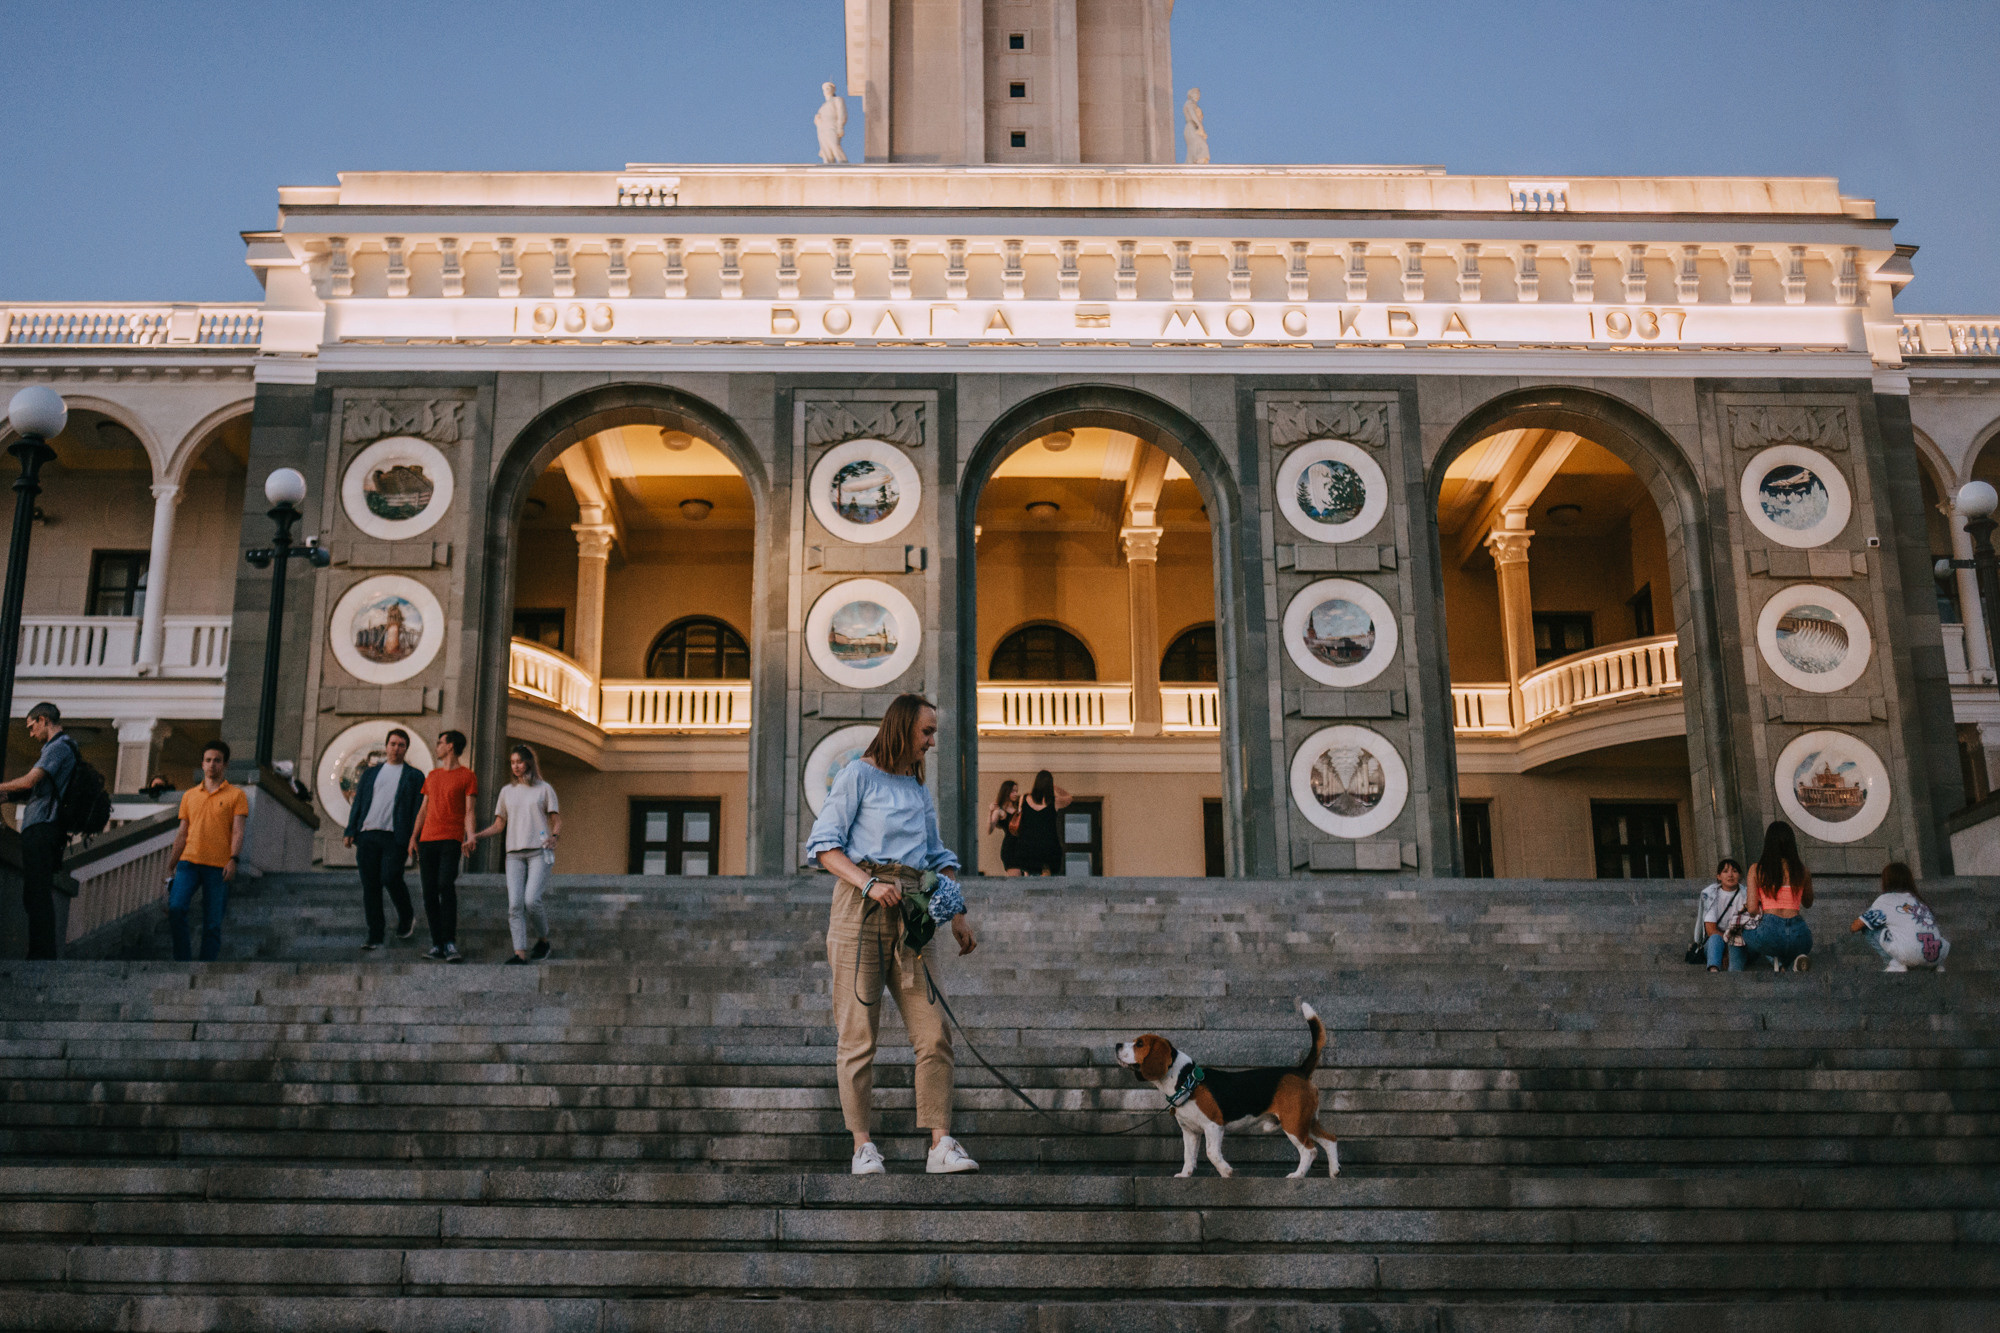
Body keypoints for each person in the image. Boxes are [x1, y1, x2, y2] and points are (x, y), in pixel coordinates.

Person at [806, 693, 980, 1176]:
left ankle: (940, 1144)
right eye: (926, 732)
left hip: (914, 913)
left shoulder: (916, 788)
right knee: (857, 1035)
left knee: (934, 1031)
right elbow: (823, 847)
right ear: (903, 729)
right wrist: (867, 883)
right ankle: (863, 1146)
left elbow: (936, 853)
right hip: (859, 910)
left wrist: (958, 912)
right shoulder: (858, 775)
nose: (931, 741)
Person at [0, 703, 80, 959]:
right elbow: (36, 789)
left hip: (43, 826)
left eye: (32, 726)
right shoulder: (61, 748)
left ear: (43, 720)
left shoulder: (58, 747)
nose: (31, 733)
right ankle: (41, 953)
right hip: (45, 825)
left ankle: (41, 955)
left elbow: (30, 781)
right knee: (36, 891)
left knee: (37, 892)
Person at [472, 744, 560, 964]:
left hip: (539, 852)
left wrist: (555, 836)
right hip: (513, 854)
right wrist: (476, 836)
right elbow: (498, 825)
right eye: (512, 762)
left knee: (531, 900)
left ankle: (543, 940)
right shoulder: (506, 792)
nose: (516, 766)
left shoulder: (544, 788)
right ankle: (520, 952)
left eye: (519, 762)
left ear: (528, 762)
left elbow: (556, 819)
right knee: (514, 905)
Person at [160, 740, 248, 961]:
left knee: (212, 922)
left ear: (225, 765)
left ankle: (205, 966)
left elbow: (238, 831)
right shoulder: (190, 795)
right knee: (177, 908)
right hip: (188, 862)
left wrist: (233, 859)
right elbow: (182, 832)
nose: (212, 765)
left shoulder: (236, 795)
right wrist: (171, 865)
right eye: (208, 760)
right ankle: (183, 960)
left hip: (218, 866)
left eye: (217, 761)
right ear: (202, 763)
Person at [342, 728, 425, 951]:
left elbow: (419, 809)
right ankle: (375, 935)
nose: (396, 748)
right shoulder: (370, 773)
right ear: (386, 746)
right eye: (393, 744)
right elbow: (359, 802)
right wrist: (351, 830)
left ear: (406, 749)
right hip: (368, 834)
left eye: (401, 745)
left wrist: (415, 838)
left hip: (395, 836)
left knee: (390, 876)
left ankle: (406, 916)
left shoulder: (414, 776)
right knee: (370, 886)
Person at [409, 729, 478, 963]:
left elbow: (469, 811)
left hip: (451, 839)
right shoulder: (432, 776)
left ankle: (449, 942)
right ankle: (437, 943)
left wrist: (470, 836)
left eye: (440, 743)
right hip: (427, 840)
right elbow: (422, 810)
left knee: (445, 884)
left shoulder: (467, 776)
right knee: (429, 893)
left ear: (450, 747)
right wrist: (413, 838)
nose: (437, 746)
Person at [1741, 820, 1814, 973]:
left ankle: (1781, 963)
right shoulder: (1802, 871)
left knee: (1744, 933)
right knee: (1792, 944)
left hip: (1770, 932)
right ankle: (1794, 960)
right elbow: (1808, 903)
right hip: (1800, 936)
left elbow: (1753, 909)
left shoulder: (1756, 870)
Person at [1852, 862, 1950, 973]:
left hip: (1909, 954)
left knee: (1869, 927)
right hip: (1936, 955)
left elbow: (1856, 926)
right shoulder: (1920, 902)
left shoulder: (1886, 899)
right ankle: (1934, 967)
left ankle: (1895, 964)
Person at [1010, 769, 1071, 877]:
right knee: (1047, 872)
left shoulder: (1024, 798)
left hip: (1027, 843)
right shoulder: (1054, 802)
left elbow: (1020, 815)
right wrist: (1055, 787)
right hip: (1048, 844)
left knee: (1027, 872)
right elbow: (1069, 798)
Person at [1697, 857, 1749, 972]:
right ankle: (1714, 969)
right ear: (1718, 876)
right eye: (1725, 871)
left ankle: (1780, 965)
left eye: (1734, 871)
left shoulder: (1746, 895)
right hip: (1717, 944)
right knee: (1715, 938)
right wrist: (1726, 949)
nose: (1730, 875)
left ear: (1740, 875)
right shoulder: (1711, 895)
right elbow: (1711, 930)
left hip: (1741, 942)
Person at [988, 779, 1025, 876]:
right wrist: (990, 812)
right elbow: (990, 829)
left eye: (1016, 791)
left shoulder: (1018, 808)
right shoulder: (1000, 811)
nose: (1015, 794)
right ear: (1006, 792)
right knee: (1016, 879)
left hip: (1024, 848)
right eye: (1012, 791)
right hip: (1011, 848)